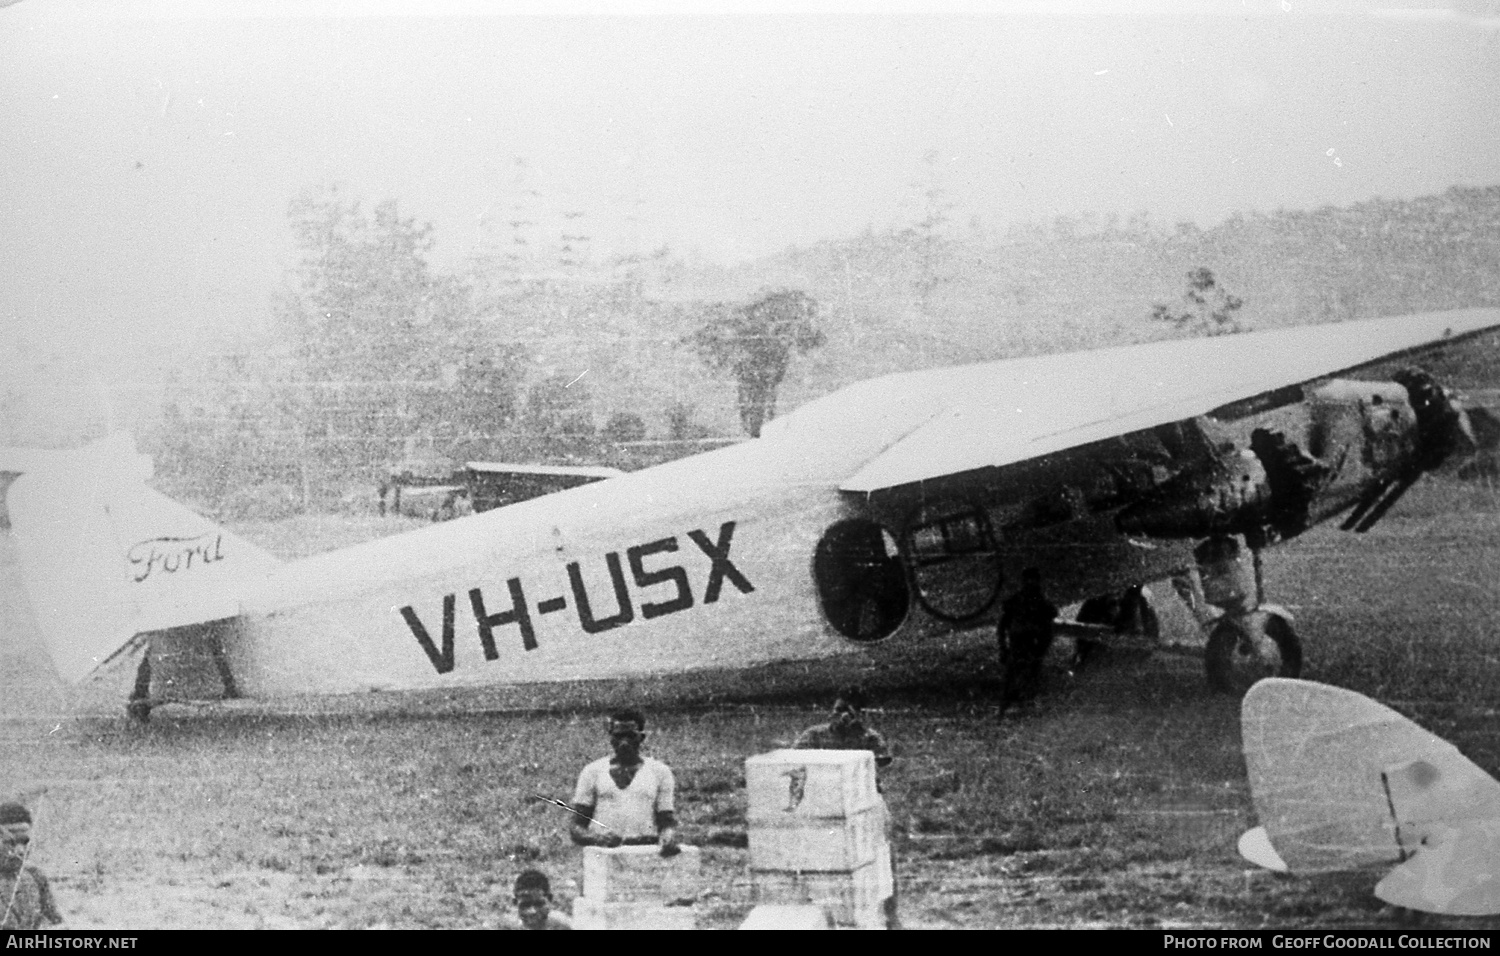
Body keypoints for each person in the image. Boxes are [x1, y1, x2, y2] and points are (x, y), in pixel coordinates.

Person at [794, 686, 898, 929]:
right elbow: (795, 759)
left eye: (847, 711)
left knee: (883, 855)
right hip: (825, 803)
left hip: (865, 802)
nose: (839, 716)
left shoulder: (868, 737)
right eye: (837, 710)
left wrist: (857, 731)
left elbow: (883, 759)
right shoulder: (815, 735)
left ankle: (890, 915)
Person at [569, 710, 679, 855]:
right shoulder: (592, 771)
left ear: (642, 737)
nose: (625, 743)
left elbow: (666, 820)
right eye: (619, 736)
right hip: (604, 853)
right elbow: (576, 826)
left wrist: (668, 836)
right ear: (611, 738)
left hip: (645, 852)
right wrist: (598, 838)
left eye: (631, 736)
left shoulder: (660, 772)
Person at [997, 567, 1059, 711]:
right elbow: (1002, 626)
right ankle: (1004, 711)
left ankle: (1026, 709)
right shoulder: (1014, 602)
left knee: (1031, 681)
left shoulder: (1042, 604)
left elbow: (1049, 628)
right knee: (1010, 680)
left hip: (1033, 647)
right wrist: (1003, 647)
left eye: (1034, 580)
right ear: (1023, 582)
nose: (1031, 583)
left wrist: (1042, 650)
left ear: (1038, 582)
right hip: (1016, 646)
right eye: (1028, 580)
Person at [793, 685, 892, 771]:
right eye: (839, 710)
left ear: (859, 715)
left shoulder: (870, 737)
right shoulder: (814, 734)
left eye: (849, 713)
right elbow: (795, 756)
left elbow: (883, 760)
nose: (843, 716)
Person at [1, 801, 62, 930]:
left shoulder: (36, 876)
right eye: (11, 842)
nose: (20, 850)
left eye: (25, 842)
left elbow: (57, 923)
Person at [498, 869, 572, 931]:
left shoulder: (562, 926)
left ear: (549, 899)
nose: (532, 911)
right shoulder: (507, 927)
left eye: (539, 904)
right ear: (515, 903)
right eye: (525, 905)